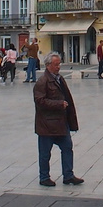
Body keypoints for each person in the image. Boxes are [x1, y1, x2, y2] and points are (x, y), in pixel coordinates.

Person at [33, 53, 83, 187]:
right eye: (56, 64)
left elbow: (67, 97)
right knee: (45, 153)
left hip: (60, 123)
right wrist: (58, 104)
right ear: (48, 65)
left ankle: (68, 175)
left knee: (67, 148)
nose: (59, 67)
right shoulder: (42, 81)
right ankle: (44, 177)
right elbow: (39, 101)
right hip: (47, 124)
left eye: (59, 64)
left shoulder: (59, 79)